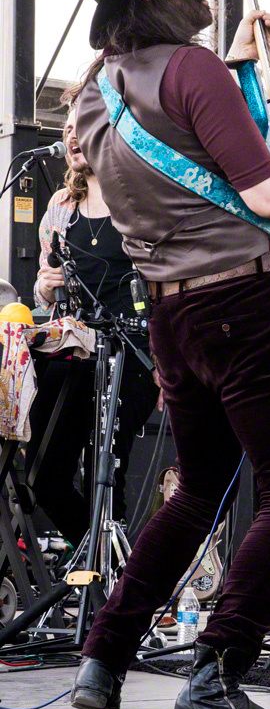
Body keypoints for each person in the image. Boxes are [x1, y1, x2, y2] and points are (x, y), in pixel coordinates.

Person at [68, 0, 270, 709]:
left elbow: (168, 151)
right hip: (248, 305)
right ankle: (217, 673)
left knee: (197, 494)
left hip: (173, 316)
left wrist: (238, 64)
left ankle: (103, 659)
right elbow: (268, 196)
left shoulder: (93, 96)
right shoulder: (193, 70)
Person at [27, 111, 159, 547]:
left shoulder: (140, 201)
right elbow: (44, 290)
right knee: (43, 475)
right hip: (73, 351)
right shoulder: (60, 206)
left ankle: (109, 575)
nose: (70, 133)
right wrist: (44, 286)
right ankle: (104, 563)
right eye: (66, 127)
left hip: (132, 354)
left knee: (105, 475)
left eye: (80, 124)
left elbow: (168, 286)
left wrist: (169, 362)